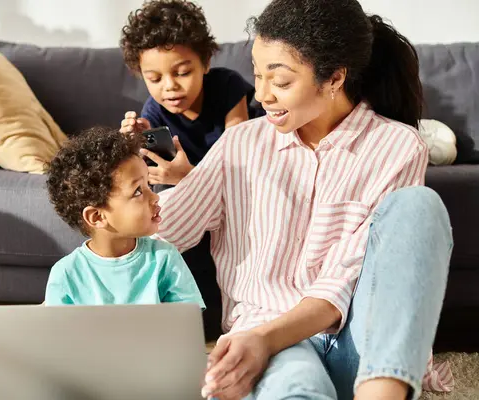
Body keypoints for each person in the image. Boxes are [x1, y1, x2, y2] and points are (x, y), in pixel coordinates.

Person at [154, 0, 454, 399]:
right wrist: (129, 188)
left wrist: (263, 339)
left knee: (420, 205)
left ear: (333, 78)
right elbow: (164, 230)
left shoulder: (397, 146)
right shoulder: (241, 144)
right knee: (297, 389)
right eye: (257, 76)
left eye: (280, 82)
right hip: (269, 336)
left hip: (360, 345)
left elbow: (345, 278)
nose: (261, 96)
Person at [43, 126, 204, 310]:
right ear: (97, 216)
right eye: (138, 191)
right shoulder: (66, 273)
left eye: (148, 185)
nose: (155, 197)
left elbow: (188, 322)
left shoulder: (164, 258)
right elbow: (60, 335)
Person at [119, 0, 258, 186]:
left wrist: (189, 177)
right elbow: (153, 175)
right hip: (199, 188)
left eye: (183, 73)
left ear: (206, 62)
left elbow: (240, 162)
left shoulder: (227, 85)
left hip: (240, 175)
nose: (170, 86)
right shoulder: (152, 113)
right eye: (154, 79)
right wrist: (134, 148)